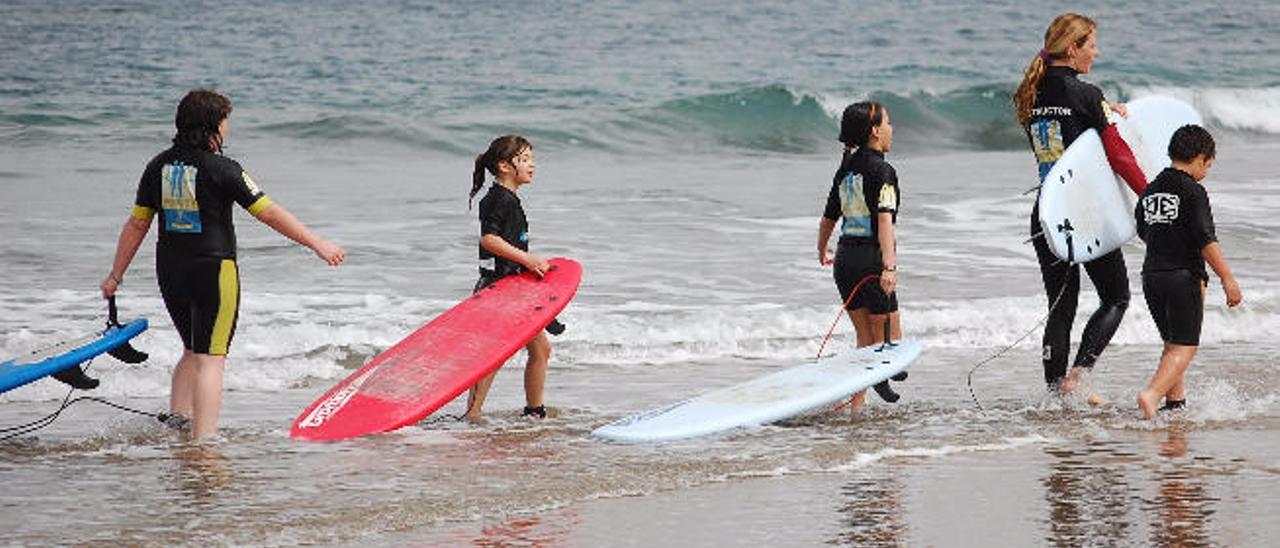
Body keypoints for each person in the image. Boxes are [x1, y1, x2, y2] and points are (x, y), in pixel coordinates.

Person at [100, 89, 346, 439]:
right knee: (211, 359)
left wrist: (115, 275)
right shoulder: (223, 169)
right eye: (226, 121)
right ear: (214, 125)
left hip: (171, 270)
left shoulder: (157, 166)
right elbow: (269, 212)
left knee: (191, 349)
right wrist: (317, 243)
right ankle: (204, 442)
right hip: (214, 271)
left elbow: (137, 224)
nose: (228, 128)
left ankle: (179, 422)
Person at [1012, 13, 1147, 396]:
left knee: (1060, 306)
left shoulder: (1030, 92)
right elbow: (1119, 156)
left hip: (1046, 211)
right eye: (1091, 45)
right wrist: (1150, 193)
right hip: (1084, 212)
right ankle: (1079, 374)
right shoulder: (1087, 94)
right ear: (1073, 49)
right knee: (1116, 297)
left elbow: (1067, 133)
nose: (1096, 52)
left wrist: (1105, 107)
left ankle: (1055, 395)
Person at [1135, 125, 1241, 418]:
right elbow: (1206, 238)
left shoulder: (1150, 189)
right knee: (1185, 347)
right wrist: (1227, 278)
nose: (1207, 171)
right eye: (1208, 165)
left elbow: (1144, 232)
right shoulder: (1194, 190)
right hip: (1183, 277)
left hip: (1152, 276)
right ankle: (1151, 395)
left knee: (1172, 346)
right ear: (1199, 158)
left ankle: (1175, 408)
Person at [817, 101, 905, 413]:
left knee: (865, 337)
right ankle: (881, 377)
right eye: (889, 123)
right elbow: (885, 220)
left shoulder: (845, 168)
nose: (892, 129)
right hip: (870, 261)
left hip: (844, 261)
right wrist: (889, 267)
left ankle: (857, 404)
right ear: (875, 131)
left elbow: (829, 216)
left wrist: (821, 247)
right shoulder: (883, 170)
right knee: (893, 338)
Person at [463, 134, 553, 421]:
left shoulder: (506, 198)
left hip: (510, 286)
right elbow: (489, 240)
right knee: (493, 356)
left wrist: (529, 266)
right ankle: (472, 415)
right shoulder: (501, 199)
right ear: (504, 166)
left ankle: (534, 411)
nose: (532, 165)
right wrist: (527, 259)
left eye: (531, 159)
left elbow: (505, 243)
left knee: (540, 349)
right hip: (500, 289)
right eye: (525, 159)